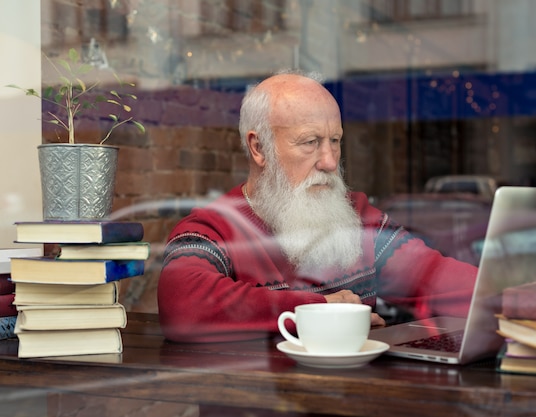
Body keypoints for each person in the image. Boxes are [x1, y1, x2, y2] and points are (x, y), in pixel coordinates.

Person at [157, 70, 478, 343]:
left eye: (335, 141)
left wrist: (516, 294)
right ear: (258, 148)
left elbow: (433, 277)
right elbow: (183, 306)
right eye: (310, 142)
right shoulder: (213, 229)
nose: (329, 161)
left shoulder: (356, 216)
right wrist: (319, 310)